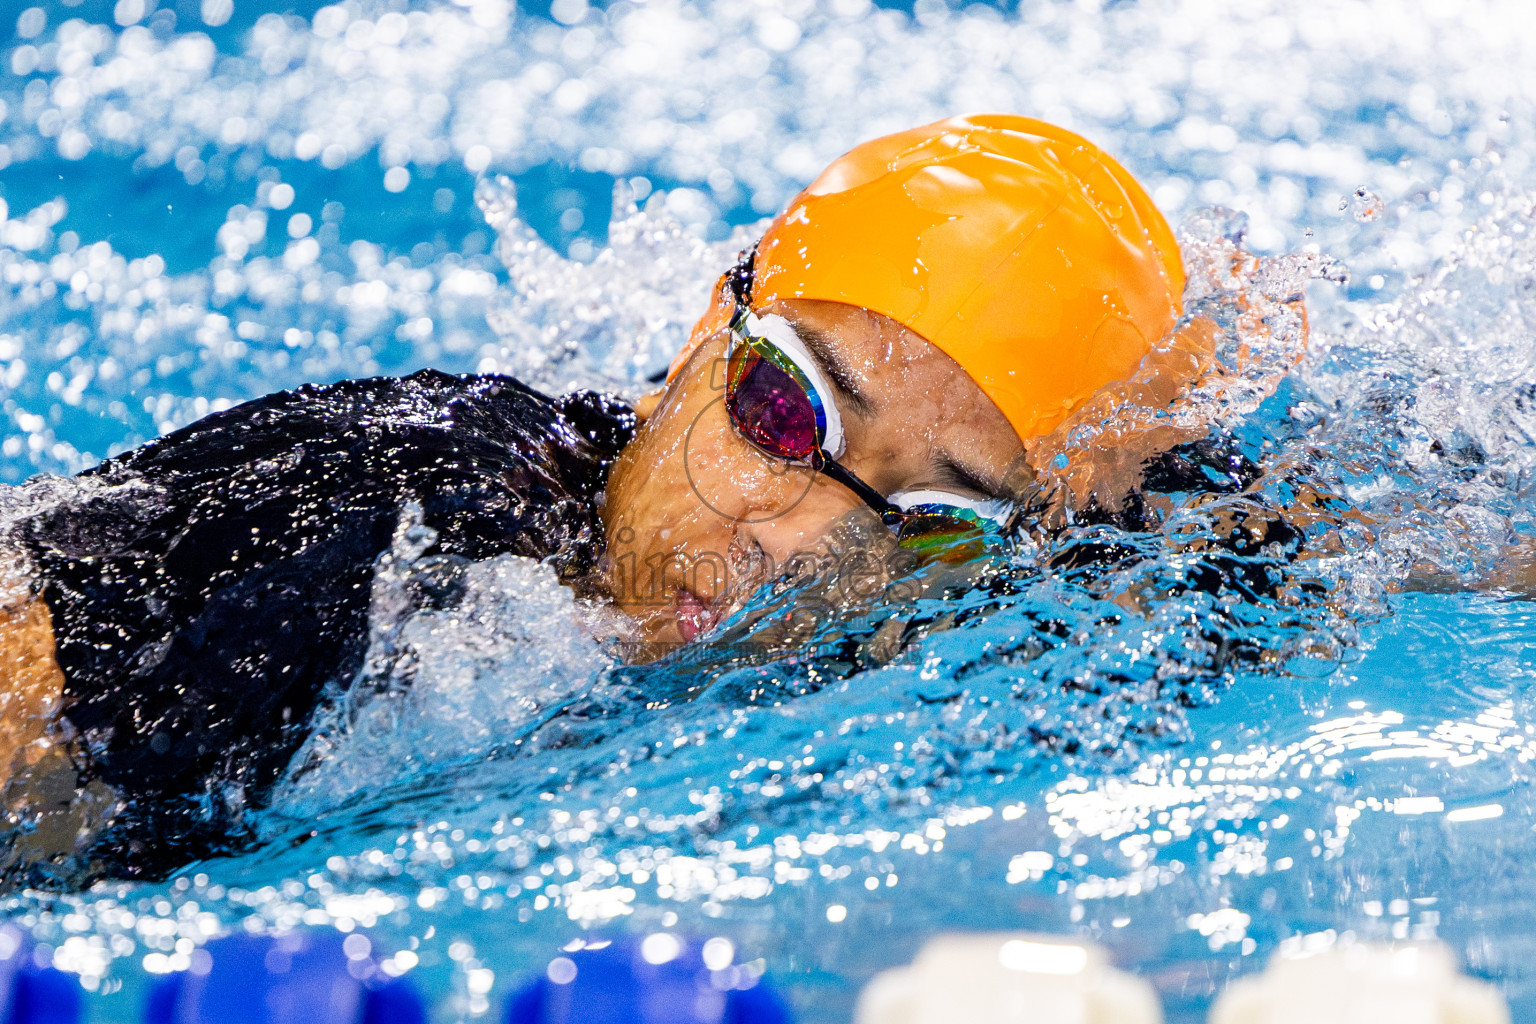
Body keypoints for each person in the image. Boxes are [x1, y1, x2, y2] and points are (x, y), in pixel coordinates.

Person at [0, 114, 1232, 886]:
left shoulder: (949, 614)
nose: (797, 548)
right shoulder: (369, 529)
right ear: (706, 328)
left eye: (930, 521)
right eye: (785, 411)